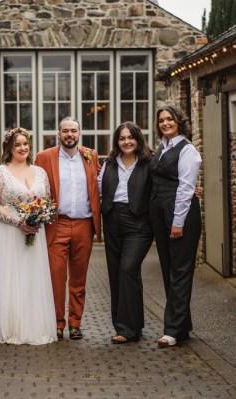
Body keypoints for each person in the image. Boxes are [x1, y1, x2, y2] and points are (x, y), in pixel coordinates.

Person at [0, 127, 57, 345]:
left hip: (35, 231)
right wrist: (17, 221)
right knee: (12, 278)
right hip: (9, 233)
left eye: (25, 143)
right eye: (17, 144)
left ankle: (35, 326)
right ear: (9, 147)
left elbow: (46, 201)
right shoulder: (0, 171)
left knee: (32, 279)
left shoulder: (40, 172)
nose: (22, 148)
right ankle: (13, 327)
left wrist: (37, 218)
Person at [34, 116, 102, 340]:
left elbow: (102, 183)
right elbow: (33, 187)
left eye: (73, 130)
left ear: (79, 133)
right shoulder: (44, 157)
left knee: (79, 278)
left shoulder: (90, 156)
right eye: (65, 131)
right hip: (57, 223)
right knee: (55, 276)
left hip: (84, 223)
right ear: (59, 133)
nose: (69, 135)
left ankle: (75, 322)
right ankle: (57, 323)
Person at [149, 106, 202, 348]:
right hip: (161, 216)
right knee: (170, 270)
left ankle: (171, 330)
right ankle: (182, 326)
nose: (165, 123)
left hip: (181, 217)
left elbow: (185, 188)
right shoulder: (162, 148)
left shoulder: (187, 150)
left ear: (179, 121)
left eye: (170, 119)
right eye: (161, 120)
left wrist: (177, 222)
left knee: (180, 272)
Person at [98, 122, 154, 344]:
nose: (126, 142)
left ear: (138, 139)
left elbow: (165, 184)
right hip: (112, 220)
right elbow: (98, 188)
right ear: (116, 142)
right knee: (116, 273)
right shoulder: (109, 163)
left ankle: (129, 327)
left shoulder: (150, 162)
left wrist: (192, 190)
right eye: (122, 138)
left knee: (128, 268)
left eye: (130, 137)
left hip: (139, 223)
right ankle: (128, 326)